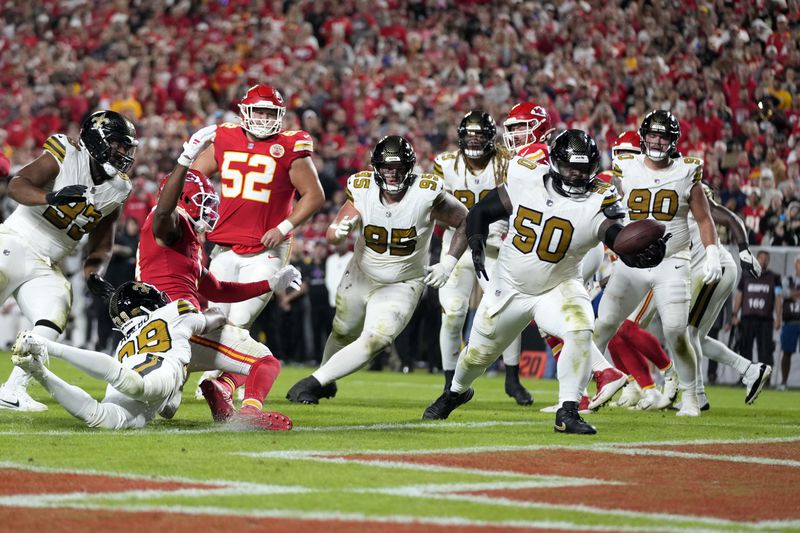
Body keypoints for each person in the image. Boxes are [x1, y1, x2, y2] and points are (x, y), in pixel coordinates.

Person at [422, 130, 668, 434]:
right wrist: (474, 237)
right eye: (569, 168)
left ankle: (568, 411)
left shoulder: (599, 198)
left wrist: (636, 252)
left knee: (580, 328)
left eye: (583, 169)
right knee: (476, 356)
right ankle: (455, 392)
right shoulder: (528, 178)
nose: (577, 176)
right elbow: (483, 209)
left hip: (558, 285)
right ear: (554, 164)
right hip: (509, 285)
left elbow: (615, 236)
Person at [119, 128, 302, 427]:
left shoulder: (186, 239)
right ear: (183, 197)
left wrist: (270, 283)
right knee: (264, 361)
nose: (209, 207)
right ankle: (251, 412)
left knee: (148, 409)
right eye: (203, 199)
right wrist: (186, 157)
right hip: (180, 326)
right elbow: (165, 209)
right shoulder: (167, 222)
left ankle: (212, 391)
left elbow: (218, 289)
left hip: (162, 331)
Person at [286, 135, 469, 404]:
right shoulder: (362, 188)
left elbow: (467, 220)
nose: (392, 175)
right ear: (376, 168)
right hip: (361, 273)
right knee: (342, 330)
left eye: (398, 168)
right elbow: (333, 235)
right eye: (386, 168)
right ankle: (325, 381)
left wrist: (449, 262)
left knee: (378, 338)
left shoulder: (425, 193)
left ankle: (315, 382)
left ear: (410, 168)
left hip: (402, 282)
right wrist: (339, 230)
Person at [10, 281, 289, 430]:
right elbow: (214, 317)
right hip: (158, 371)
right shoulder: (173, 311)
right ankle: (47, 350)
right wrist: (209, 317)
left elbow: (167, 410)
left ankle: (40, 371)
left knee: (100, 416)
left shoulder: (123, 344)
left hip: (138, 374)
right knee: (128, 392)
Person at [0, 110, 136, 412]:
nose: (124, 153)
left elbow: (102, 240)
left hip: (47, 264)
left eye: (127, 147)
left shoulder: (118, 188)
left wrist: (93, 274)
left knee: (54, 311)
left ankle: (12, 390)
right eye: (119, 145)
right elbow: (16, 185)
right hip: (14, 241)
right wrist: (51, 197)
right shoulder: (66, 152)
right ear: (97, 140)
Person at [592, 110, 723, 417]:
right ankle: (575, 394)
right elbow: (609, 208)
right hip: (632, 261)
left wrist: (713, 252)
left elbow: (704, 218)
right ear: (643, 137)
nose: (657, 141)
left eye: (664, 136)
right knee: (602, 327)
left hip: (672, 260)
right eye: (653, 135)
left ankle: (691, 396)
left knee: (677, 332)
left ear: (673, 141)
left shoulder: (687, 170)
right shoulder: (626, 166)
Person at [188, 84, 325, 330]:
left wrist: (283, 228)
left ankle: (235, 368)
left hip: (266, 249)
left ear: (280, 116)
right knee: (211, 322)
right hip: (225, 247)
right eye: (259, 112)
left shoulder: (291, 145)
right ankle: (218, 370)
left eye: (270, 113)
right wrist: (197, 218)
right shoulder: (226, 137)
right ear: (245, 111)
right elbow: (193, 179)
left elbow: (314, 195)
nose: (264, 118)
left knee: (238, 323)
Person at [433, 110, 531, 406]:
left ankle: (512, 378)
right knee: (452, 312)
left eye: (480, 134)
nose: (474, 140)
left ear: (491, 138)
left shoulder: (507, 162)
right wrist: (469, 223)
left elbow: (526, 202)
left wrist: (508, 223)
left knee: (505, 308)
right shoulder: (445, 164)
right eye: (469, 134)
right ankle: (450, 382)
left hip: (496, 250)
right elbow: (437, 210)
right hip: (457, 246)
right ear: (461, 137)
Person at [731, 250, 781, 369]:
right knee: (744, 349)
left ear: (768, 261)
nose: (763, 261)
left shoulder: (774, 277)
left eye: (765, 259)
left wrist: (778, 318)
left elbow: (779, 298)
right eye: (761, 258)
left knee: (765, 350)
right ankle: (744, 378)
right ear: (756, 259)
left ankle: (764, 378)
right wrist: (734, 314)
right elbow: (739, 295)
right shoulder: (746, 275)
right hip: (747, 318)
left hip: (765, 320)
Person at [779, 255, 800, 390]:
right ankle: (783, 382)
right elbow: (783, 293)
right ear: (795, 264)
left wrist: (793, 293)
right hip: (790, 321)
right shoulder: (788, 279)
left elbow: (790, 294)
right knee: (786, 352)